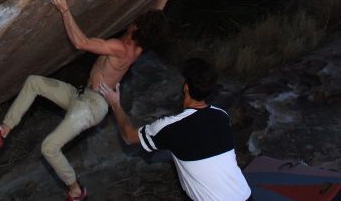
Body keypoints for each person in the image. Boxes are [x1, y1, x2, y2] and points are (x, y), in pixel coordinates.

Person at [0, 0, 179, 201]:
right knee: (34, 82)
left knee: (49, 147)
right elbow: (155, 15)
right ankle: (3, 131)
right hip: (80, 96)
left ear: (137, 29)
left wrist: (64, 9)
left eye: (137, 22)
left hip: (93, 106)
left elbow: (81, 42)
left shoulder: (120, 48)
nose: (134, 21)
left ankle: (75, 190)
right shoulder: (141, 42)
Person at [99, 58, 252, 201]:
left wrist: (115, 104)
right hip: (245, 195)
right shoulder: (221, 115)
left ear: (185, 86)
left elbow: (128, 136)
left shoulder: (171, 127)